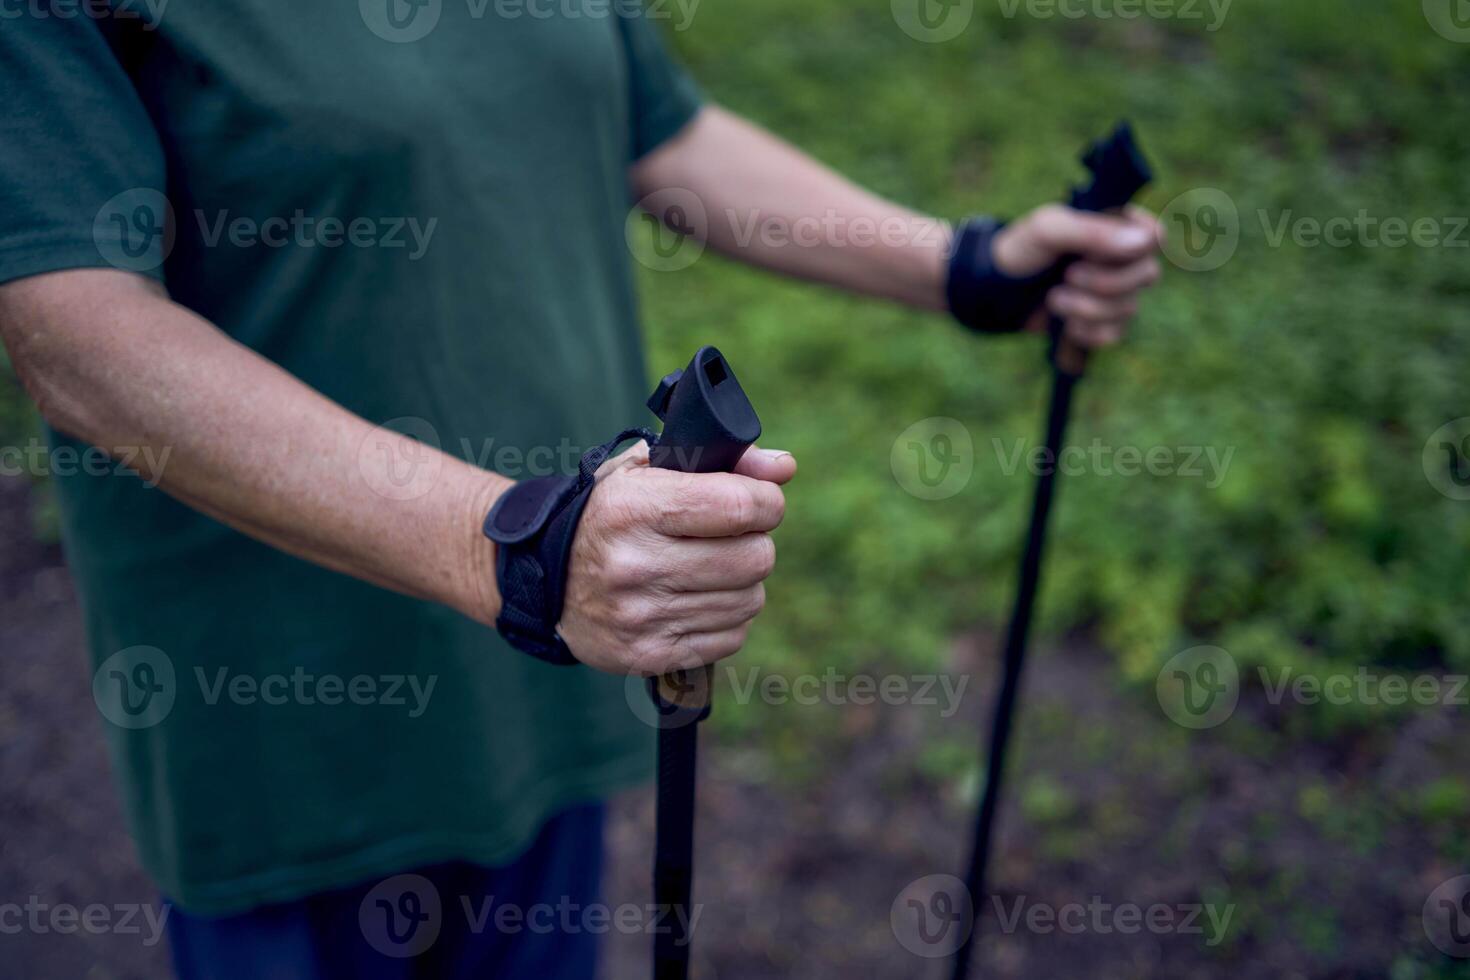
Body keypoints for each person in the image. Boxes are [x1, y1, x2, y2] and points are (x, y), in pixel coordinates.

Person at [0, 2, 1162, 976]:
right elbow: (78, 332)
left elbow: (658, 134)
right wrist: (514, 546)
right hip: (300, 716)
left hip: (557, 650)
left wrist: (967, 268)